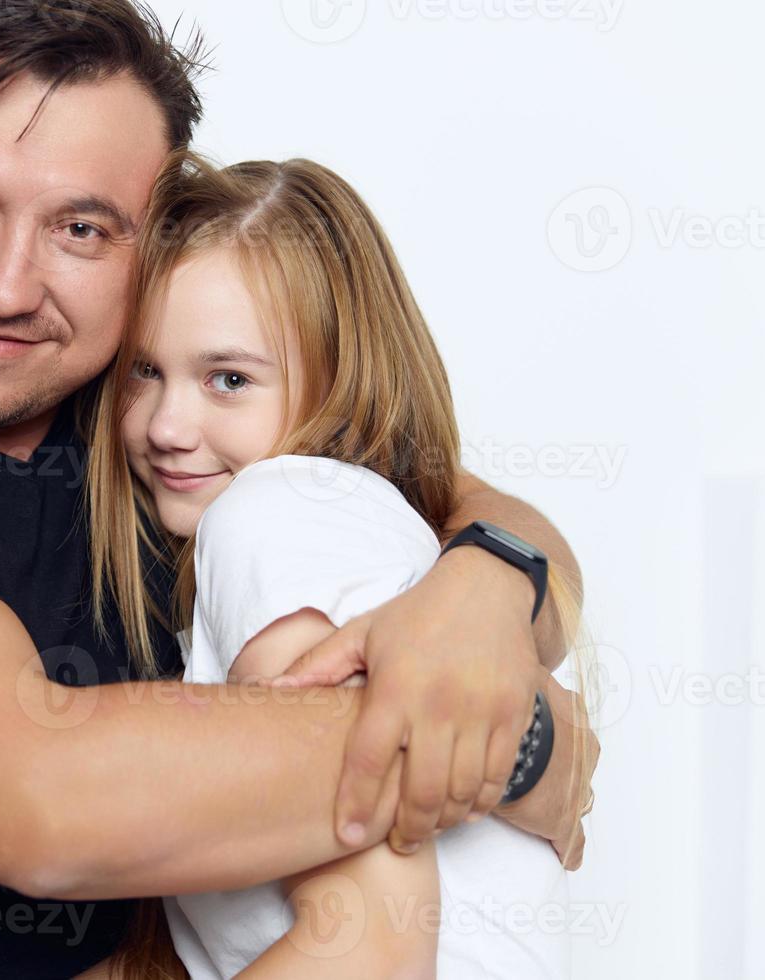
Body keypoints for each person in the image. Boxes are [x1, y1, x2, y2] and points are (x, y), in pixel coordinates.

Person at [0, 2, 597, 976]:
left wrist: (483, 587)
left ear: (147, 242)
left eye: (82, 227)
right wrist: (515, 739)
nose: (8, 288)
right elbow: (45, 802)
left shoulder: (150, 409)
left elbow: (442, 491)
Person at [85, 152, 590, 978]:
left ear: (342, 391)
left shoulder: (270, 514)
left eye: (228, 379)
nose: (167, 424)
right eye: (146, 370)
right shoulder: (340, 522)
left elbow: (372, 931)